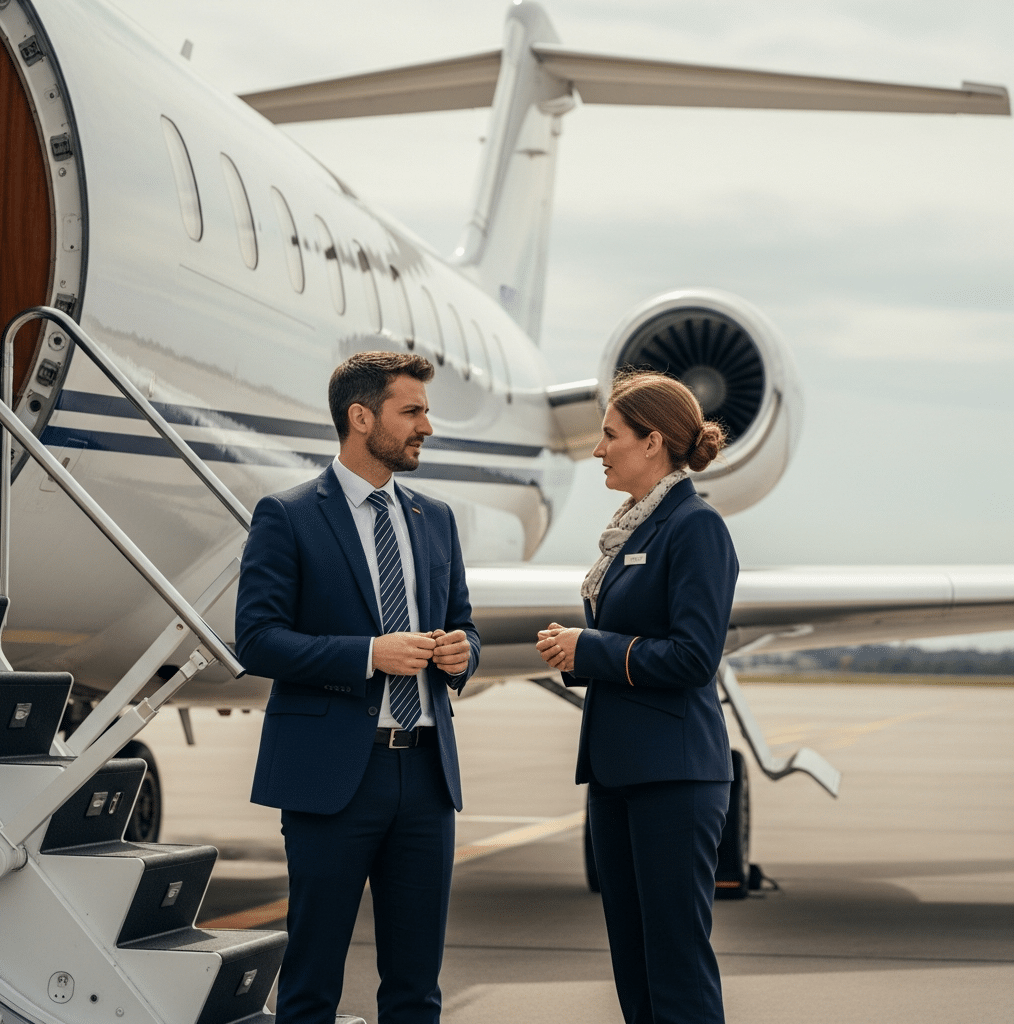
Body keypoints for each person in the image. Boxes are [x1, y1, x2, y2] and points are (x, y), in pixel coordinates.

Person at [235, 350, 479, 1024]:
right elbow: (255, 641)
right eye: (414, 411)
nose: (427, 426)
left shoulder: (436, 518)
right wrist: (370, 654)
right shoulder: (287, 517)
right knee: (312, 982)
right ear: (361, 416)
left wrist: (463, 652)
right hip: (334, 775)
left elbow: (462, 624)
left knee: (416, 986)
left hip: (427, 777)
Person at [536, 368, 738, 1024]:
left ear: (653, 442)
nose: (598, 450)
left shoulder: (695, 529)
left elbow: (693, 658)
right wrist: (576, 652)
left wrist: (589, 648)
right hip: (620, 776)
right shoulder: (633, 532)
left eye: (610, 435)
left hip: (674, 779)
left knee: (675, 969)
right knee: (636, 968)